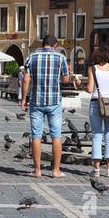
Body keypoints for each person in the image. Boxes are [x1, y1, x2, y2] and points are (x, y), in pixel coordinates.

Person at [21, 35, 69, 179]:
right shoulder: (61, 58)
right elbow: (65, 79)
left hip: (36, 101)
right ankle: (55, 171)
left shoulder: (32, 57)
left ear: (43, 44)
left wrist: (23, 99)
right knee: (56, 136)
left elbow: (26, 79)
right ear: (55, 46)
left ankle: (37, 170)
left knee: (36, 135)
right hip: (54, 101)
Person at [73, 46, 109, 178]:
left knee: (96, 136)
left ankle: (97, 170)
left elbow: (89, 89)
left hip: (96, 103)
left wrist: (79, 84)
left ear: (97, 56)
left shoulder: (93, 69)